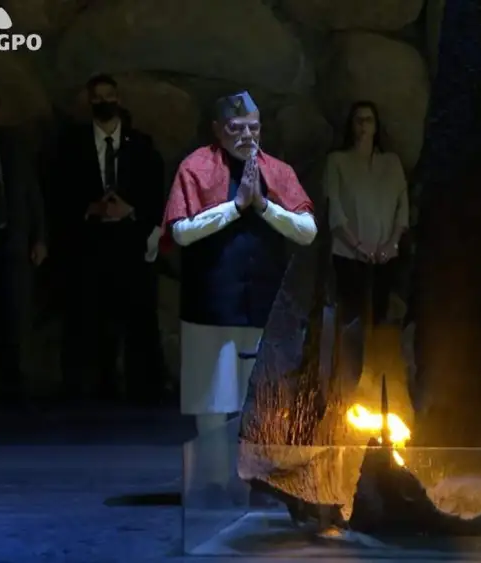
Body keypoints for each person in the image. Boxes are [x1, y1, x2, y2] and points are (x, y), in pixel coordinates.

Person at [160, 91, 317, 494]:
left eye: (254, 127)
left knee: (263, 397)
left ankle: (263, 479)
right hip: (210, 303)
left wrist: (262, 206)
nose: (247, 135)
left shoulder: (276, 170)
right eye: (236, 128)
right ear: (217, 130)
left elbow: (307, 231)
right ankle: (214, 483)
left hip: (264, 304)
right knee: (212, 399)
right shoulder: (195, 167)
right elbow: (180, 231)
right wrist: (234, 207)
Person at [49, 73, 168, 405]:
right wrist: (91, 208)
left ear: (119, 99)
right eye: (97, 97)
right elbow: (57, 192)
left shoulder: (141, 144)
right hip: (88, 246)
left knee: (139, 319)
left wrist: (131, 209)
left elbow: (156, 190)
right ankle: (91, 390)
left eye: (109, 95)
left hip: (132, 245)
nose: (104, 102)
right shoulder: (70, 145)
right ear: (89, 102)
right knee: (87, 319)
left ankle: (145, 390)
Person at [324, 101, 409, 385]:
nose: (363, 125)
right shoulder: (337, 162)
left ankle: (380, 381)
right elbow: (335, 211)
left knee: (382, 321)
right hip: (350, 256)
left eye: (368, 120)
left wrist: (391, 244)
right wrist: (357, 245)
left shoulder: (391, 163)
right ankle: (349, 382)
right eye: (358, 119)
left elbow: (402, 208)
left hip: (385, 256)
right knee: (351, 321)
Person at [0, 87, 46, 403]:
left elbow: (32, 195)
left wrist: (40, 237)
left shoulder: (14, 147)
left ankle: (14, 382)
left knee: (14, 311)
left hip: (11, 242)